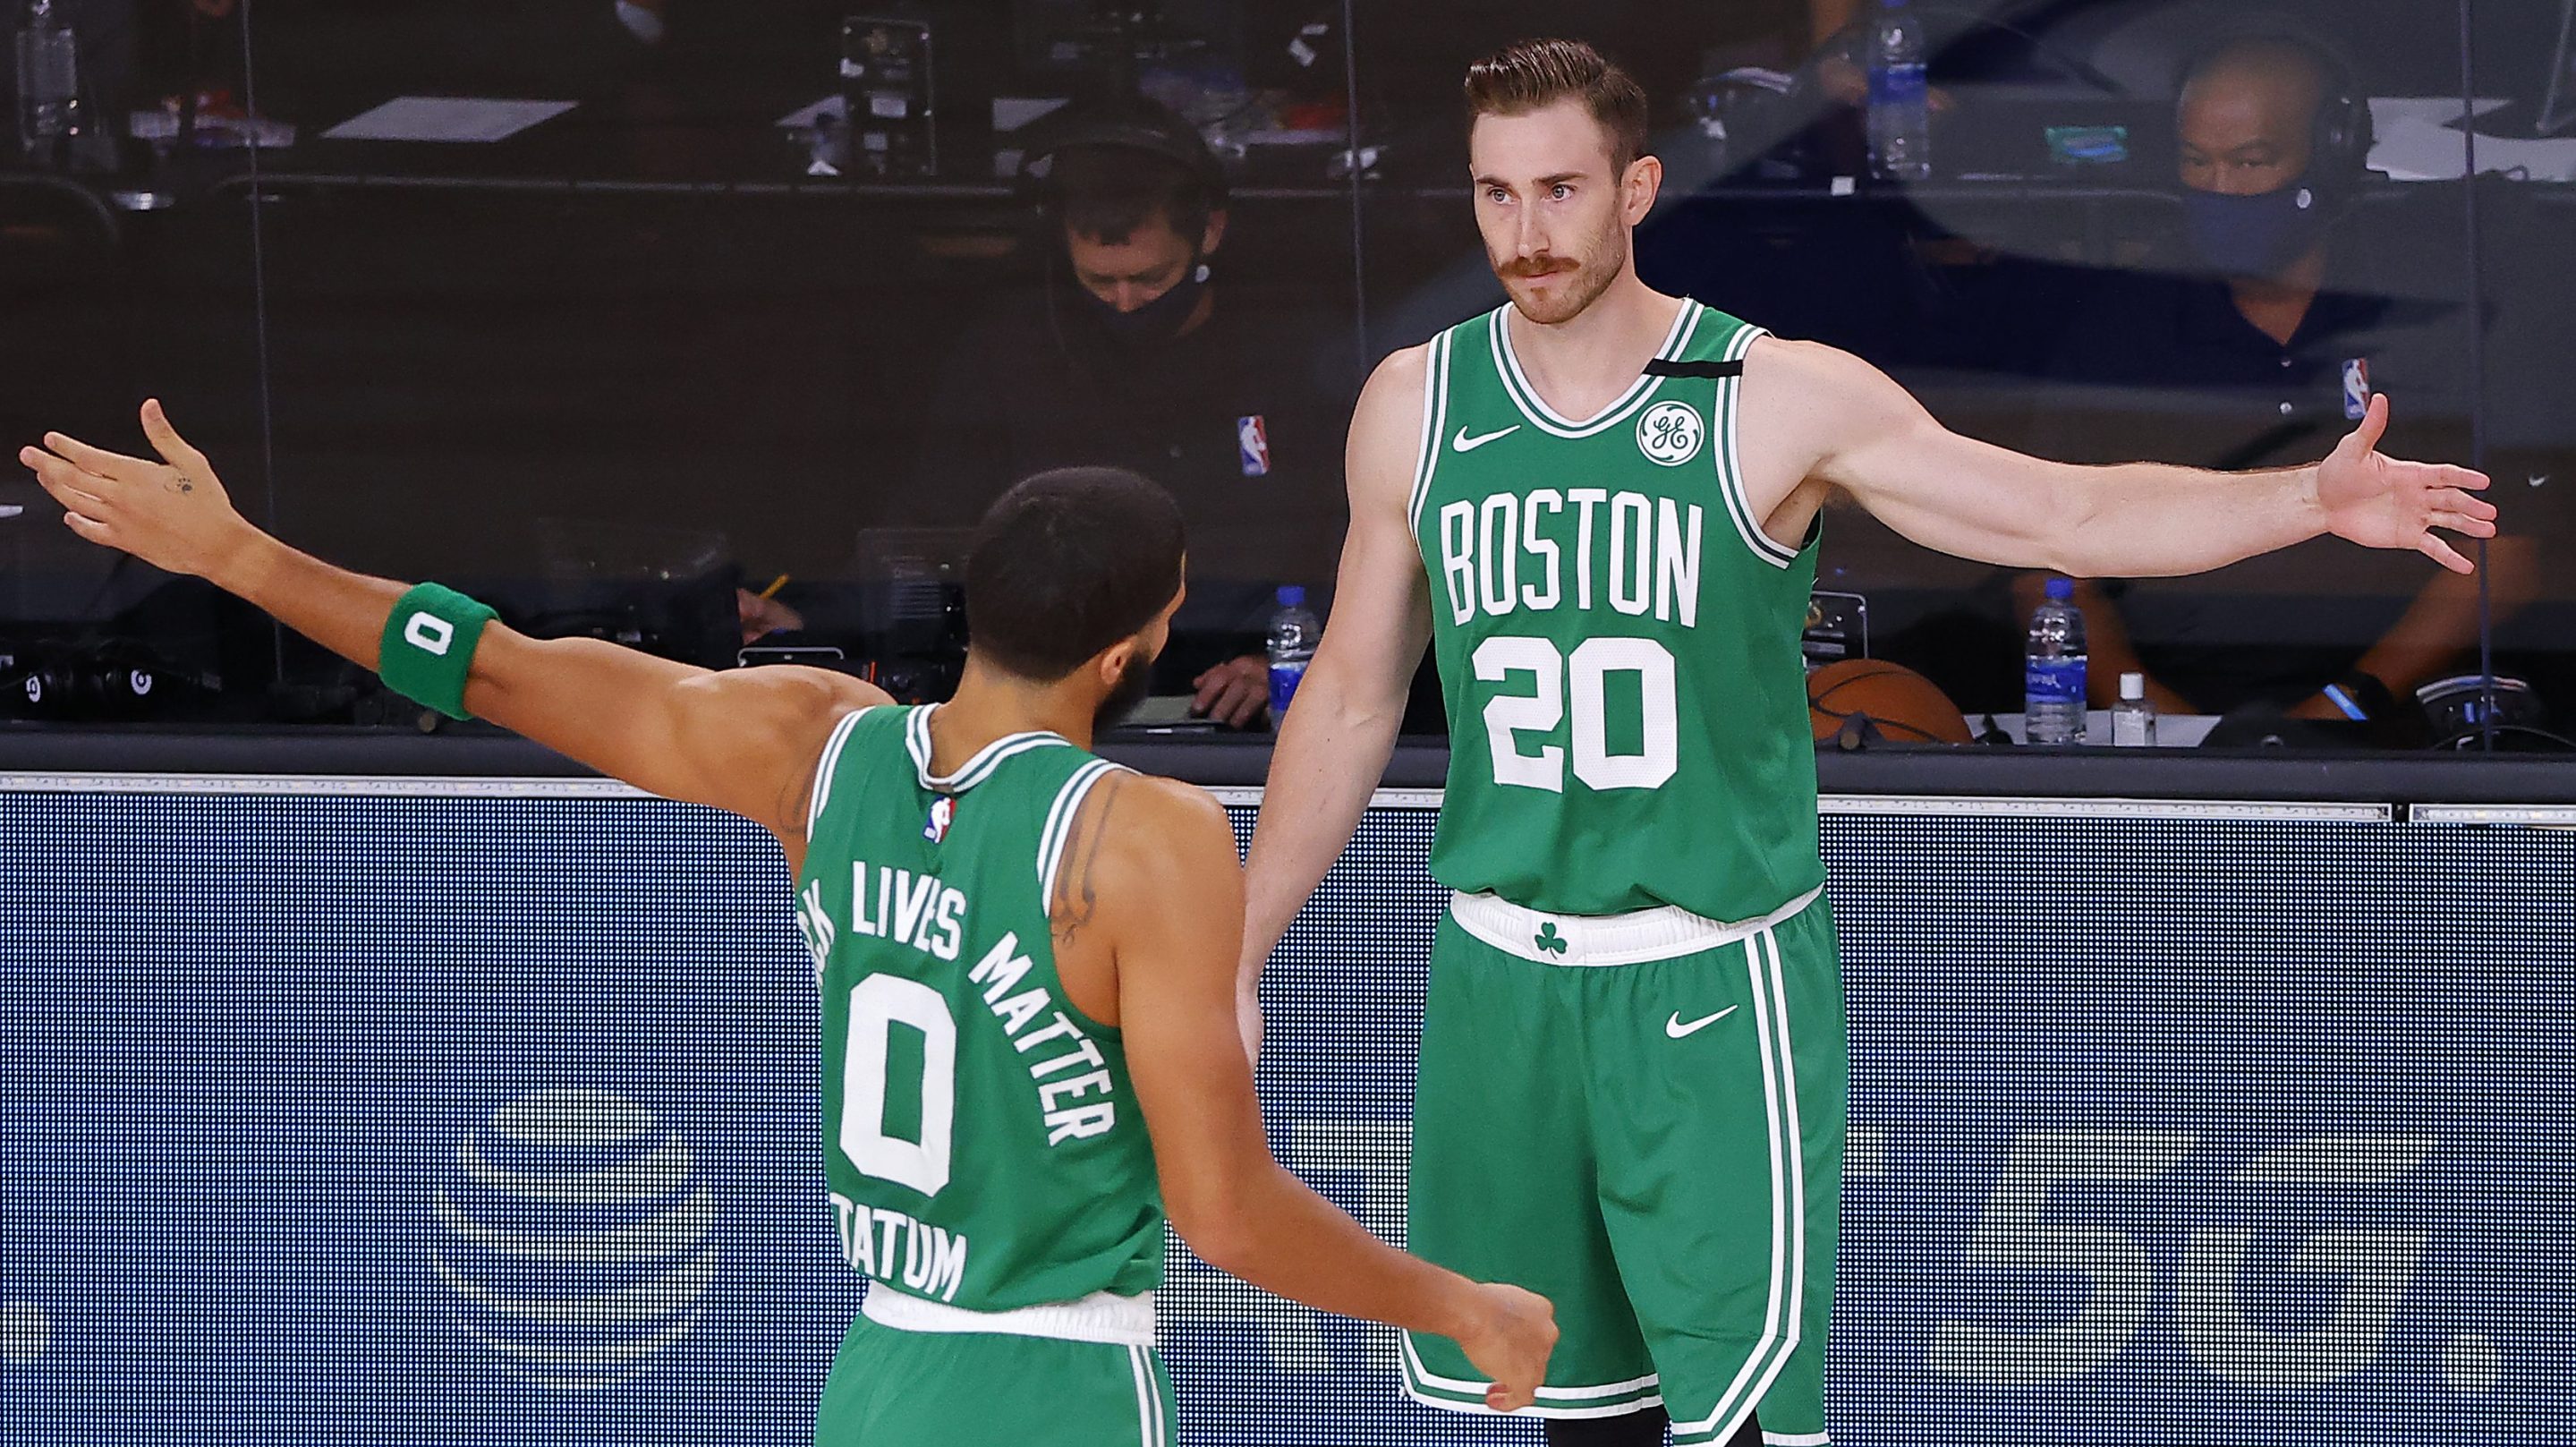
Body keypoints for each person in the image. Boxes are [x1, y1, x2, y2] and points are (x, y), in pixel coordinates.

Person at [1237, 38, 2491, 1447]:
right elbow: (1347, 695)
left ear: (1637, 188)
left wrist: (2303, 504)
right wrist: (1237, 951)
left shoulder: (1773, 394)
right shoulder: (1417, 403)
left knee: (1745, 1426)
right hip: (1495, 980)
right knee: (1569, 1413)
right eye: (1494, 195)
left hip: (1703, 979)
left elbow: (2053, 518)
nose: (1526, 235)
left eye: (1560, 191)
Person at [19, 412, 1556, 1442]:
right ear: (1140, 641)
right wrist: (1456, 1303)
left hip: (876, 1372)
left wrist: (236, 557)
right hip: (1058, 1382)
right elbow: (1222, 1214)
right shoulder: (1143, 834)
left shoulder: (816, 746)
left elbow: (486, 667)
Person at [2027, 22, 2532, 726]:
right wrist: (2163, 728)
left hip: (2399, 723)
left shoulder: (2433, 302)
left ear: (2328, 158)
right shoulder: (2120, 322)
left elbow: (2516, 541)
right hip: (2163, 723)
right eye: (2195, 162)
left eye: (2250, 162)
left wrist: (2343, 708)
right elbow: (2039, 551)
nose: (2218, 188)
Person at [902, 97, 1352, 729]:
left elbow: (1366, 539)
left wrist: (1292, 658)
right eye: (1098, 282)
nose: (1123, 302)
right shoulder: (1009, 354)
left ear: (1210, 232)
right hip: (1051, 705)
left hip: (1249, 704)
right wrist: (814, 609)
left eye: (1150, 278)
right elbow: (929, 526)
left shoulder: (1298, 353)